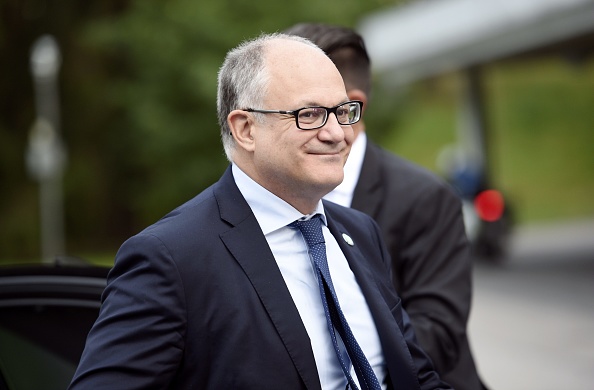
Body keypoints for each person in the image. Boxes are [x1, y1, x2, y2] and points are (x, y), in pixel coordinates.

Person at [68, 33, 451, 389]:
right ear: (245, 129)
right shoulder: (170, 259)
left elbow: (416, 376)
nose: (338, 133)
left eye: (342, 111)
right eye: (311, 115)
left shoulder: (360, 232)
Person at [283, 23, 486, 390]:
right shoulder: (275, 192)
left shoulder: (424, 198)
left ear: (352, 106)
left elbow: (437, 332)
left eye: (304, 109)